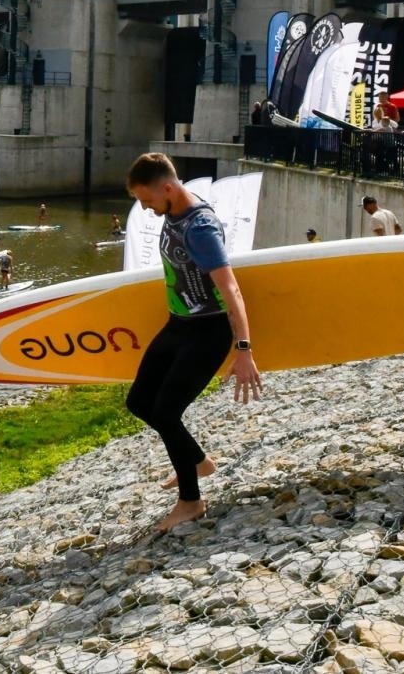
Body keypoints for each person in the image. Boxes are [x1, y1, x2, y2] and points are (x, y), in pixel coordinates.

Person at [123, 153, 260, 534]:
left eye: (147, 200)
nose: (146, 210)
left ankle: (191, 501)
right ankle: (197, 460)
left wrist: (244, 350)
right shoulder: (172, 211)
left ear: (167, 188)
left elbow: (231, 289)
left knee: (166, 413)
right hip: (178, 325)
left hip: (208, 332)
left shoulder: (200, 227)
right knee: (138, 402)